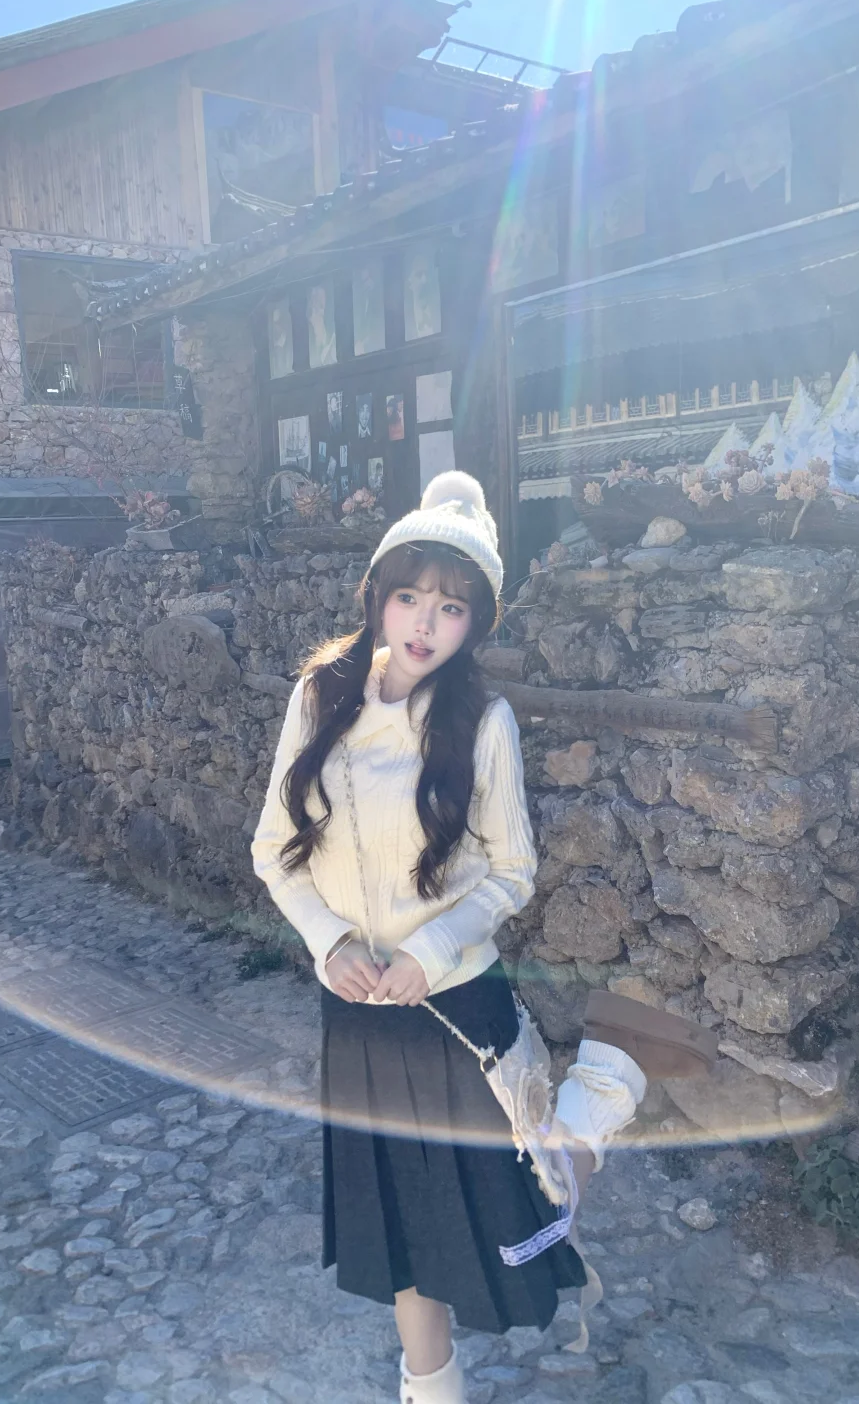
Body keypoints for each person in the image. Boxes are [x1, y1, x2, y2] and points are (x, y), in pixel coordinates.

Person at [252, 473, 588, 1404]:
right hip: (358, 1009)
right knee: (402, 1221)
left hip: (455, 1006)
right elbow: (274, 850)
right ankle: (431, 1387)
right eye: (409, 596)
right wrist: (330, 944)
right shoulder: (320, 697)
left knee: (508, 1199)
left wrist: (426, 955)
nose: (424, 623)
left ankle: (601, 1108)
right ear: (377, 596)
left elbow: (512, 871)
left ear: (474, 623)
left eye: (451, 606)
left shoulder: (483, 721)